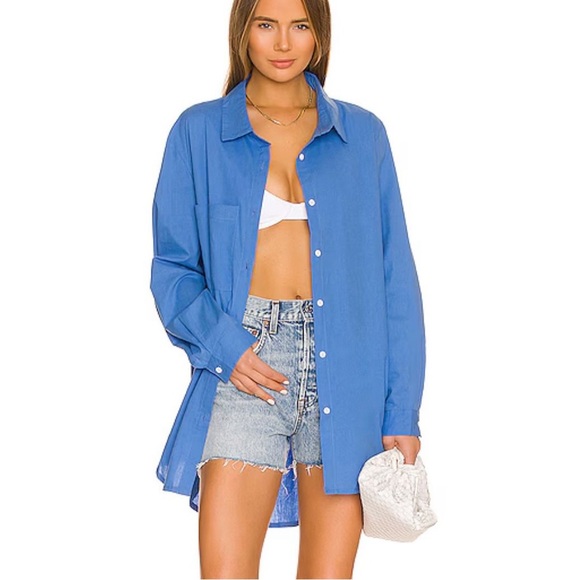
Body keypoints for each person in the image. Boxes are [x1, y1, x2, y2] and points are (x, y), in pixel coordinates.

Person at [150, 0, 426, 577]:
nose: (283, 43)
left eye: (300, 25)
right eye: (266, 24)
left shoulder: (363, 135)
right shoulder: (199, 132)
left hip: (348, 374)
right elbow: (173, 270)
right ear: (243, 31)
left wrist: (401, 410)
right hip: (247, 366)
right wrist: (226, 347)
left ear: (318, 34)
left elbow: (395, 280)